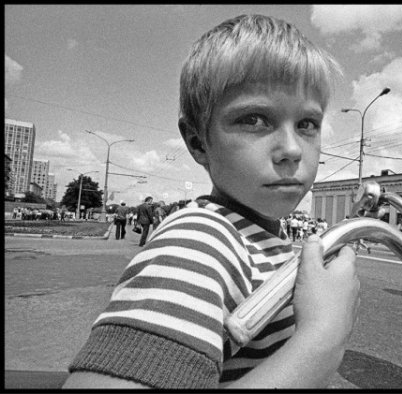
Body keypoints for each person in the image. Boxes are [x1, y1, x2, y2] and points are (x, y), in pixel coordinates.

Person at [63, 14, 359, 389]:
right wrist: (322, 338)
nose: (291, 149)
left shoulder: (254, 236)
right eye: (255, 119)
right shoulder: (200, 239)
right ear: (198, 142)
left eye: (307, 124)